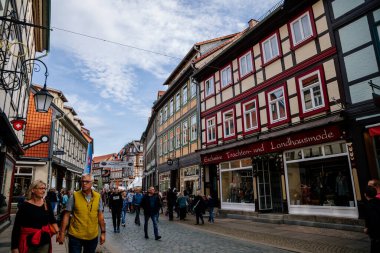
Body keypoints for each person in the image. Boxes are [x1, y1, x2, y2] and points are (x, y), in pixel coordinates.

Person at [57, 174, 106, 253]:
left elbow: (100, 217)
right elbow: (66, 215)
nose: (84, 183)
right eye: (82, 181)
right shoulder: (74, 196)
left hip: (92, 236)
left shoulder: (98, 197)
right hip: (75, 236)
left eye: (87, 181)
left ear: (92, 183)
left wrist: (103, 233)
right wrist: (62, 233)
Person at [11, 180, 59, 253]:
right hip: (28, 242)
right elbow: (16, 227)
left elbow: (52, 219)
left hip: (44, 242)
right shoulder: (24, 206)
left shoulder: (46, 204)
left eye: (44, 189)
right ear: (33, 190)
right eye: (41, 188)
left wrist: (58, 233)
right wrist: (14, 247)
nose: (43, 191)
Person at [364, 186, 380, 253]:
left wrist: (367, 229)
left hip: (376, 232)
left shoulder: (369, 206)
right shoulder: (378, 201)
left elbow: (373, 220)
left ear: (365, 194)